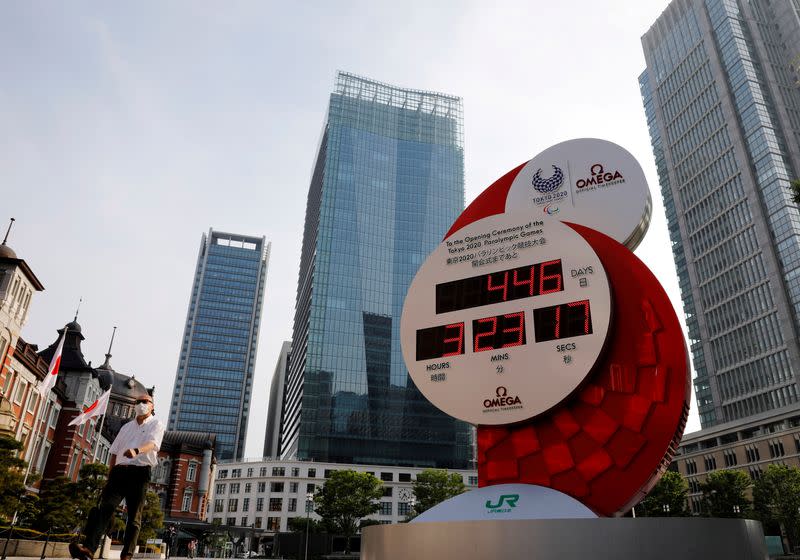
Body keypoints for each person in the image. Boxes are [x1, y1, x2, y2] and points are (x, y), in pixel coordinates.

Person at [70, 393, 165, 560]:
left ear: (152, 406)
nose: (141, 404)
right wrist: (110, 473)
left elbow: (153, 444)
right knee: (104, 509)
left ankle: (126, 555)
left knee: (134, 516)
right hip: (119, 472)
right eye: (138, 402)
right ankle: (88, 549)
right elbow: (114, 452)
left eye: (145, 402)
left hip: (140, 471)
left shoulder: (156, 424)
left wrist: (136, 451)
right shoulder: (126, 427)